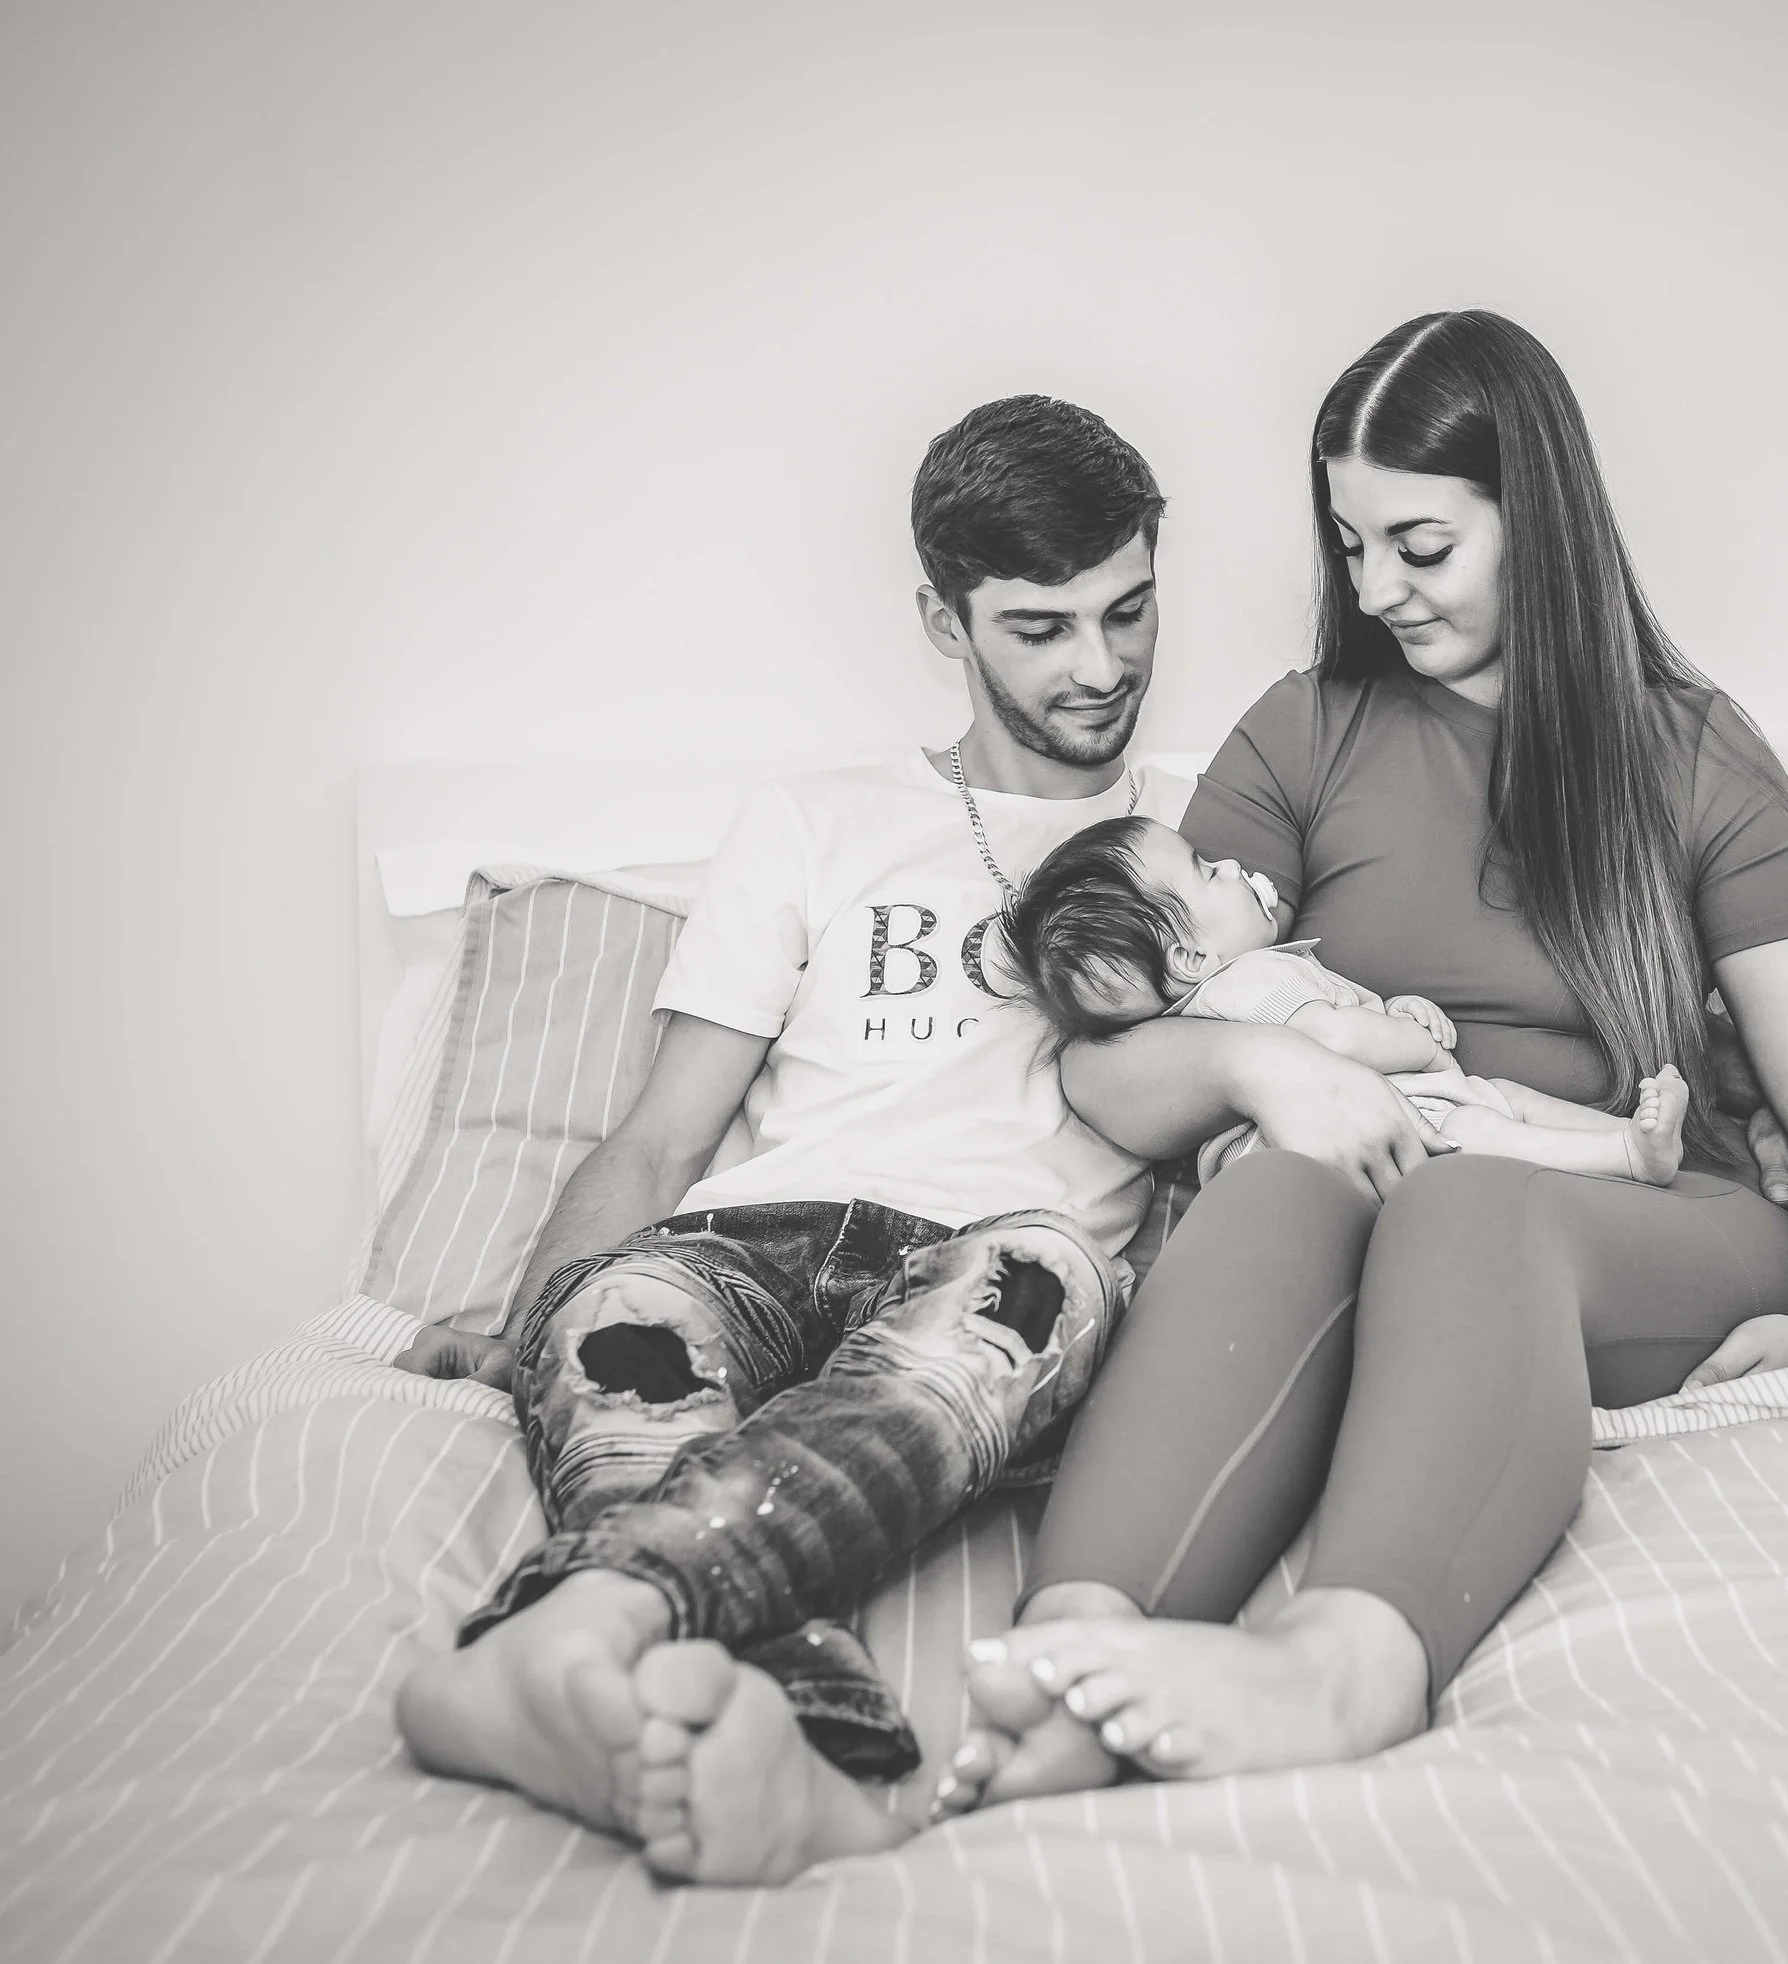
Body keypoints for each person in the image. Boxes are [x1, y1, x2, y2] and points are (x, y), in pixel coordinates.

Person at [937, 310, 1788, 1817]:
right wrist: (1270, 1076)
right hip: (1398, 1176)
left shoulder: (1692, 753)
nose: (1374, 589)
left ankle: (1344, 1668)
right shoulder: (1308, 729)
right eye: (1349, 546)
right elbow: (1119, 1060)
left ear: (1537, 521)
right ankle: (1077, 1649)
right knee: (1277, 1194)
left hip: (1645, 1219)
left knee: (1461, 1206)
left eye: (1420, 546)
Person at [388, 394, 1207, 1884]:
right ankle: (786, 1729)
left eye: (1130, 610)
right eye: (1042, 628)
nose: (1102, 667)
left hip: (1000, 1268)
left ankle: (578, 1640)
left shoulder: (1216, 849)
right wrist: (538, 1308)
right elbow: (659, 1141)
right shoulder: (819, 822)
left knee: (1028, 1285)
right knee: (624, 1322)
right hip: (747, 1246)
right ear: (942, 619)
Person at [1001, 814, 1693, 1187]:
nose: (1237, 867)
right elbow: (1331, 1044)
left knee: (1507, 1104)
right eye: (1209, 872)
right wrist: (1414, 1040)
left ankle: (1627, 1139)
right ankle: (1627, 1155)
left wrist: (1397, 1012)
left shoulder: (1234, 992)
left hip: (1400, 1110)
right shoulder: (1247, 983)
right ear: (1190, 957)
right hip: (1397, 1126)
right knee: (1493, 1128)